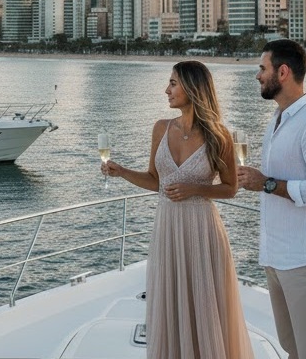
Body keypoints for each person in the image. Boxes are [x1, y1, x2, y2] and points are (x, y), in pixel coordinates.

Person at [102, 61, 253, 358]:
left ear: (193, 88)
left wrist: (195, 188)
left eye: (173, 83)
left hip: (202, 230)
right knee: (169, 302)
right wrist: (122, 172)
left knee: (204, 305)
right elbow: (156, 181)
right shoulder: (161, 128)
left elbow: (230, 188)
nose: (166, 90)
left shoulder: (219, 136)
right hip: (168, 229)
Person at [238, 39, 306, 359]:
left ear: (282, 72)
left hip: (305, 261)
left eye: (262, 68)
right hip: (277, 256)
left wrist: (267, 184)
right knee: (292, 348)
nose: (258, 75)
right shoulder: (278, 118)